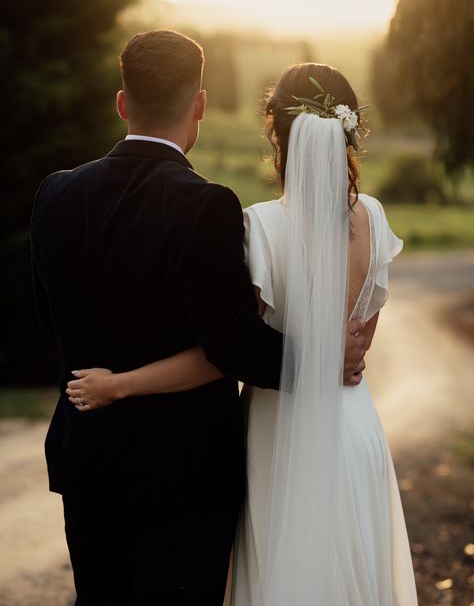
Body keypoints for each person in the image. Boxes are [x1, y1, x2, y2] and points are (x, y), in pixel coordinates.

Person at [31, 33, 366, 606]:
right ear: (201, 106)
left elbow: (49, 320)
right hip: (182, 476)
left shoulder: (56, 194)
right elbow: (234, 344)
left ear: (121, 103)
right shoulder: (207, 205)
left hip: (87, 460)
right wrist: (322, 358)